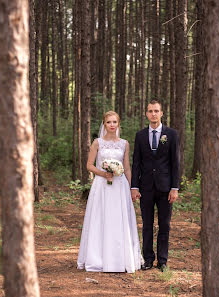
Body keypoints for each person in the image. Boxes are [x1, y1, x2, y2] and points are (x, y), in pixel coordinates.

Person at [77, 111, 143, 273]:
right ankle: (98, 258)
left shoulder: (124, 144)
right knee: (101, 219)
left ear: (118, 124)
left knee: (118, 219)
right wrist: (103, 173)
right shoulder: (97, 143)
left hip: (119, 187)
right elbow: (89, 165)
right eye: (108, 122)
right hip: (102, 186)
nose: (112, 125)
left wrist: (132, 188)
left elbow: (127, 167)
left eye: (114, 122)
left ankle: (120, 259)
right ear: (104, 124)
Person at [131, 100, 180, 272]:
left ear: (161, 113)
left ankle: (163, 261)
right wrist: (134, 187)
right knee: (147, 225)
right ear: (146, 113)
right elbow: (136, 162)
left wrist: (175, 187)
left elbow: (176, 163)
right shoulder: (140, 135)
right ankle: (148, 259)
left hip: (165, 188)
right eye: (150, 111)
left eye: (156, 111)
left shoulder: (171, 134)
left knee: (164, 225)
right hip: (145, 188)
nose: (153, 114)